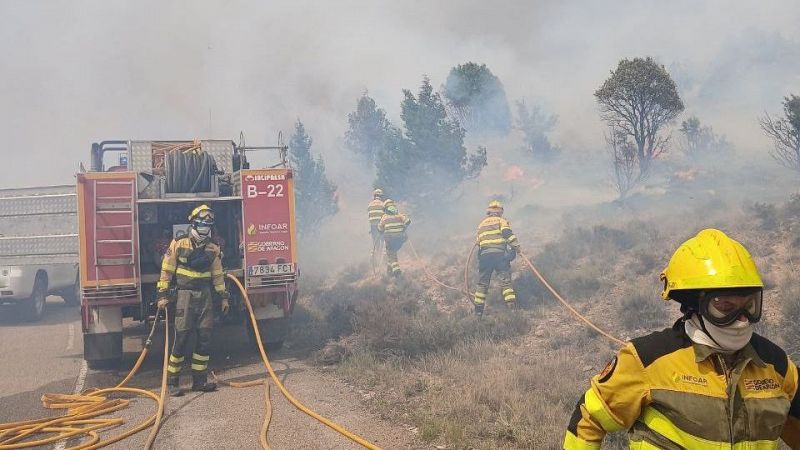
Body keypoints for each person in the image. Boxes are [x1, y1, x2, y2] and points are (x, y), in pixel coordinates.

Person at [564, 228, 800, 449]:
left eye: (749, 305)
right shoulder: (647, 359)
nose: (742, 319)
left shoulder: (776, 365)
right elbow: (588, 419)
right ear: (695, 304)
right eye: (726, 306)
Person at [157, 204, 231, 396]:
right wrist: (162, 295)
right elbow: (167, 270)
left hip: (205, 295)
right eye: (202, 224)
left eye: (209, 225)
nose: (205, 228)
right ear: (194, 224)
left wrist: (223, 298)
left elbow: (217, 275)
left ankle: (199, 381)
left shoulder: (213, 248)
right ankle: (173, 382)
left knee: (204, 339)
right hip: (185, 294)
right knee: (181, 338)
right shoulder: (179, 244)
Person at [473, 200, 520, 316]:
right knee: (505, 282)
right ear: (500, 212)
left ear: (489, 212)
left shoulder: (481, 225)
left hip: (485, 257)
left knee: (482, 284)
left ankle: (478, 312)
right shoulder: (501, 221)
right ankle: (512, 309)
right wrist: (516, 247)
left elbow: (479, 243)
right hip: (499, 256)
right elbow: (507, 234)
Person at [377, 203, 411, 277]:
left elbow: (380, 228)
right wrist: (403, 228)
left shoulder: (384, 217)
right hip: (400, 239)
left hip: (390, 239)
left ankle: (396, 271)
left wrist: (381, 231)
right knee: (393, 253)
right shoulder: (399, 214)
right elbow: (408, 221)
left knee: (391, 254)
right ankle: (389, 269)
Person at [368, 189, 386, 255]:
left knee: (375, 241)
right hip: (381, 225)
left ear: (374, 196)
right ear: (381, 196)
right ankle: (384, 253)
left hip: (373, 226)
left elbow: (369, 216)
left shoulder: (370, 205)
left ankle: (375, 254)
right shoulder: (383, 204)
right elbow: (385, 216)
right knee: (383, 239)